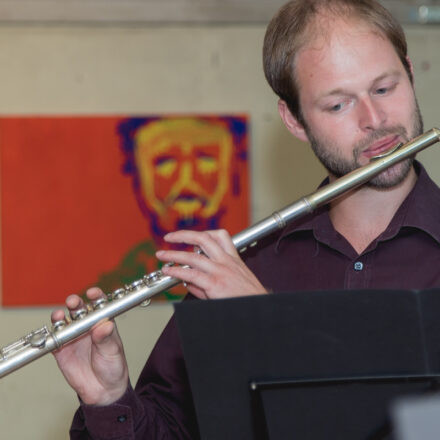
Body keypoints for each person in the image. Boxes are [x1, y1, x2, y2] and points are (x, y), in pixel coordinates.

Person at [52, 0, 440, 438]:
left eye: (385, 89)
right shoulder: (245, 268)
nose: (376, 121)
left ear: (409, 72)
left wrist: (267, 323)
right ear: (294, 120)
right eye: (338, 105)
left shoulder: (244, 290)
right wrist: (110, 399)